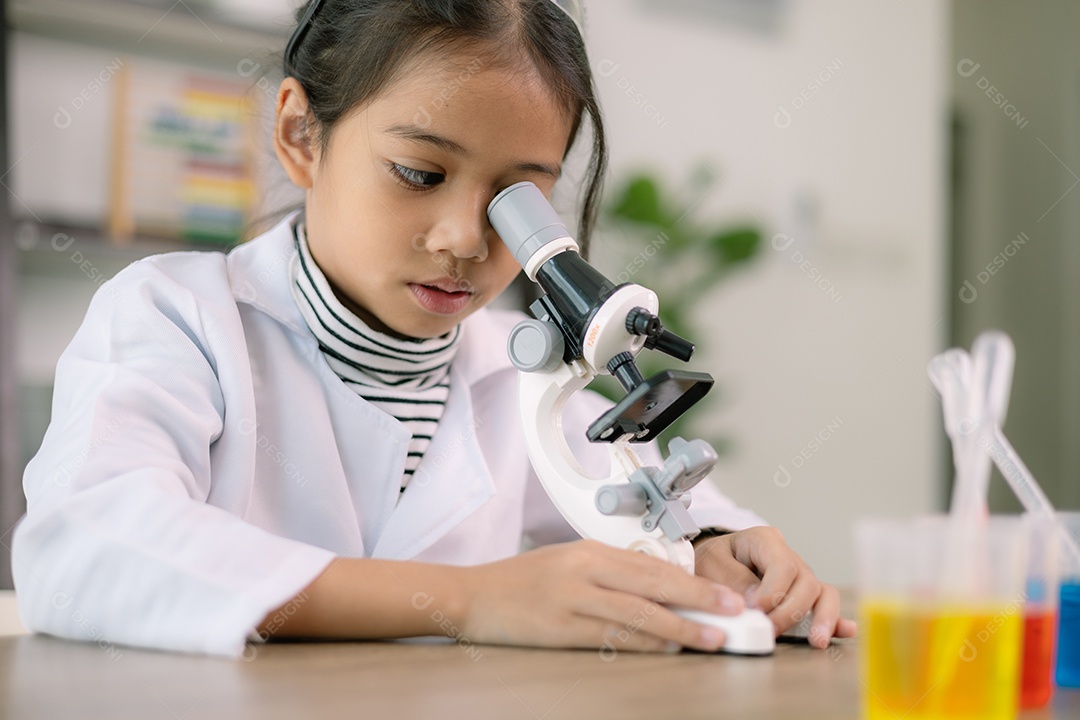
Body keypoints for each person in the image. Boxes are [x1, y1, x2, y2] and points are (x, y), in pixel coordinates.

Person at [12, 0, 856, 657]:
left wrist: (719, 545)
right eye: (419, 172)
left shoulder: (508, 371)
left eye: (513, 200)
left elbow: (643, 495)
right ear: (301, 134)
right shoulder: (175, 320)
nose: (462, 238)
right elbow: (84, 547)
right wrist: (467, 601)